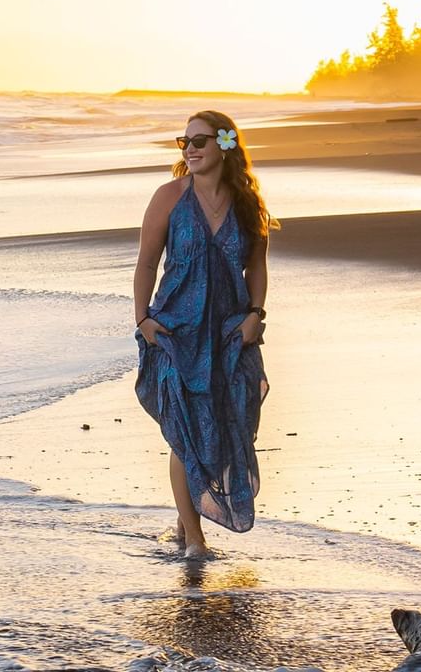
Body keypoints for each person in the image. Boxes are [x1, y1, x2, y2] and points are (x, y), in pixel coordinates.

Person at [133, 110, 278, 559]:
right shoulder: (169, 198)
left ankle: (183, 518)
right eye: (185, 142)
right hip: (175, 332)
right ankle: (195, 541)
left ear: (225, 145)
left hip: (231, 333)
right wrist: (143, 321)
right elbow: (145, 263)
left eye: (199, 141)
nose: (190, 149)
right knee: (186, 431)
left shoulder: (246, 203)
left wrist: (256, 314)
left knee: (232, 422)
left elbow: (256, 265)